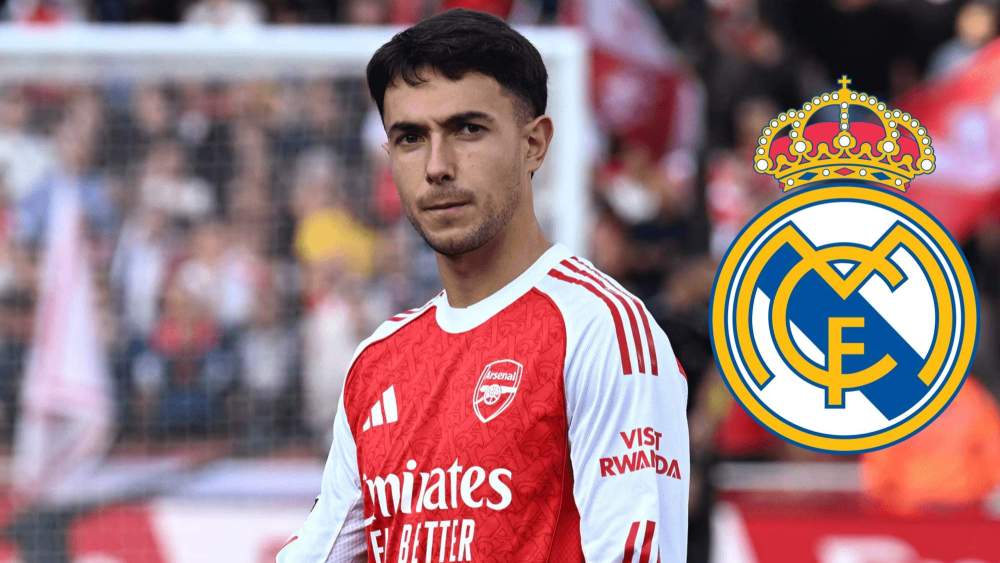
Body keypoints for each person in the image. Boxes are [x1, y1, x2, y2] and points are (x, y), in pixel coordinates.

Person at [278, 9, 689, 562]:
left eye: (467, 129)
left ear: (535, 144)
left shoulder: (602, 330)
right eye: (410, 138)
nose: (437, 166)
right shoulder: (378, 362)